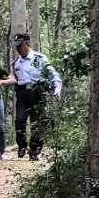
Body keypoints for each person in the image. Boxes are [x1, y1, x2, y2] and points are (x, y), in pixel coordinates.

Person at [11, 32, 62, 160]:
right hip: (22, 94)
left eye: (20, 46)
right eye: (16, 47)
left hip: (37, 93)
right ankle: (21, 146)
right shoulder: (16, 62)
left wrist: (57, 88)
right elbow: (17, 79)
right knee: (20, 120)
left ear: (27, 44)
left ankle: (34, 150)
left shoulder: (39, 58)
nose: (18, 49)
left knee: (37, 123)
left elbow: (52, 74)